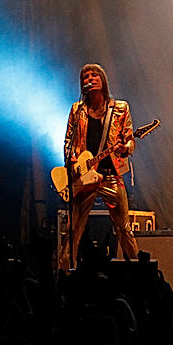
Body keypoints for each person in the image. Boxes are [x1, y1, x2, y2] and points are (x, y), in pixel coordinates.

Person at [60, 63, 140, 270]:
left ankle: (141, 273)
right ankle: (64, 273)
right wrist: (73, 162)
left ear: (103, 80)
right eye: (86, 76)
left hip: (111, 175)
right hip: (84, 177)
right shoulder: (77, 110)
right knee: (73, 229)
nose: (90, 78)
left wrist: (124, 148)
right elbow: (68, 140)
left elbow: (130, 140)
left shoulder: (121, 108)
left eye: (94, 75)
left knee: (123, 227)